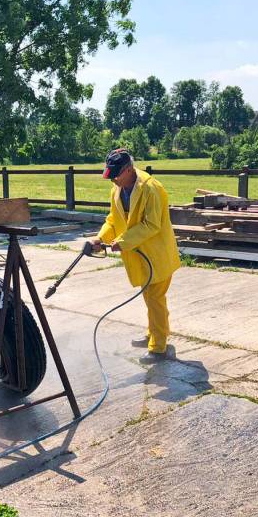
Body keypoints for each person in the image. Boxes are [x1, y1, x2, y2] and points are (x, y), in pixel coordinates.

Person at [90, 149, 180, 364]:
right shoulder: (117, 189)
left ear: (129, 169)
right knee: (149, 298)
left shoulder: (151, 188)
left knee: (156, 299)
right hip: (139, 255)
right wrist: (99, 238)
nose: (112, 178)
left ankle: (159, 348)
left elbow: (152, 224)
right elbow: (113, 219)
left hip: (157, 255)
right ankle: (154, 335)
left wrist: (123, 242)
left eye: (116, 174)